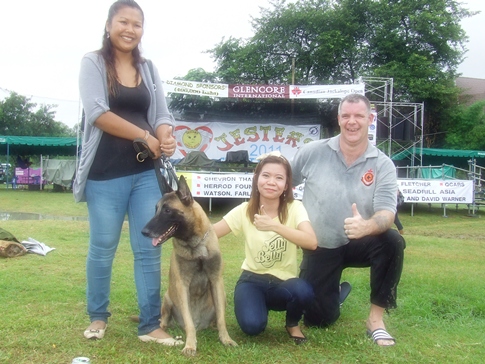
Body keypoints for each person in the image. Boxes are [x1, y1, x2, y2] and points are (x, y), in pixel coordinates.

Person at [73, 0, 181, 346]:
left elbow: (162, 114)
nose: (129, 29)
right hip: (104, 173)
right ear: (109, 25)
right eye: (123, 22)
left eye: (137, 24)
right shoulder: (92, 62)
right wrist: (145, 136)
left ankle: (150, 324)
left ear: (142, 30)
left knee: (149, 248)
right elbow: (97, 113)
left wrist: (164, 136)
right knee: (103, 247)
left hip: (146, 175)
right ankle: (98, 316)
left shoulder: (148, 68)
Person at [291, 93, 406, 346]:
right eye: (346, 116)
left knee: (392, 241)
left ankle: (375, 321)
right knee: (318, 319)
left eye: (359, 116)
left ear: (370, 119)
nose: (352, 122)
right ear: (338, 119)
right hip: (320, 245)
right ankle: (337, 292)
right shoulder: (311, 152)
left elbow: (387, 212)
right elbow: (281, 183)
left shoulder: (383, 164)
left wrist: (367, 226)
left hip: (360, 240)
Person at [213, 153, 318, 344]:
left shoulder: (295, 208)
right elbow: (211, 234)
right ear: (256, 179)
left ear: (286, 185)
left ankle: (292, 324)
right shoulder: (244, 210)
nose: (271, 182)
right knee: (252, 327)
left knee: (303, 291)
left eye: (279, 178)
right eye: (266, 175)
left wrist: (274, 226)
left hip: (284, 282)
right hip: (251, 280)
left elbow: (311, 241)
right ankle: (257, 305)